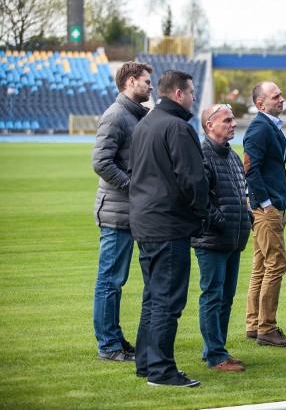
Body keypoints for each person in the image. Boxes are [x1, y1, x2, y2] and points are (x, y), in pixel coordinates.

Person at [129, 69, 209, 387]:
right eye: (190, 92)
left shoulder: (145, 123)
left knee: (153, 296)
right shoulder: (178, 127)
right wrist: (204, 213)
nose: (193, 97)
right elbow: (192, 179)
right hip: (169, 224)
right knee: (168, 300)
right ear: (178, 94)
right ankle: (161, 370)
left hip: (146, 221)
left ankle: (147, 363)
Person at [91, 61, 153, 362]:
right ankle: (107, 345)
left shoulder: (135, 116)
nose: (151, 86)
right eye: (146, 81)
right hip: (116, 212)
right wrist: (134, 187)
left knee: (117, 279)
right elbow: (101, 162)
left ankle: (114, 337)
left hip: (131, 211)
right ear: (130, 82)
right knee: (110, 280)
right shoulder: (116, 116)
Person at [191, 104, 253, 372]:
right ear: (209, 125)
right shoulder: (202, 155)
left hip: (232, 240)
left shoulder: (232, 156)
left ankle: (216, 349)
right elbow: (200, 200)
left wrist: (246, 219)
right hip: (213, 240)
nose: (234, 124)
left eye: (233, 119)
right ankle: (216, 356)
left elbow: (241, 194)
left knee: (225, 297)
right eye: (227, 120)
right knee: (213, 296)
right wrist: (222, 222)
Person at [243, 81, 286, 347]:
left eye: (280, 94)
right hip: (266, 209)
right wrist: (266, 205)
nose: (282, 99)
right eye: (276, 96)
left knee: (260, 266)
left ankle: (255, 324)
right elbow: (250, 169)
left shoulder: (267, 127)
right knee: (276, 264)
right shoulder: (259, 128)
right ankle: (267, 328)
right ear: (260, 104)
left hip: (269, 206)